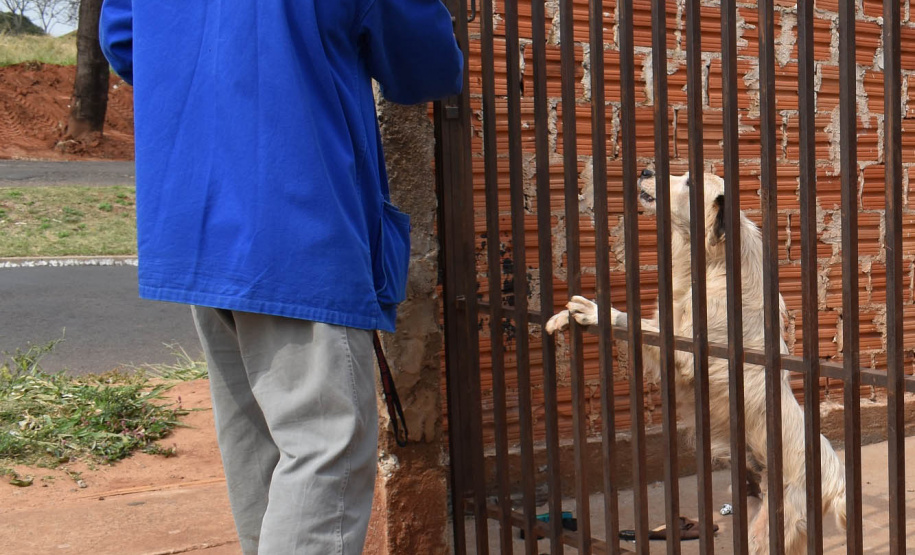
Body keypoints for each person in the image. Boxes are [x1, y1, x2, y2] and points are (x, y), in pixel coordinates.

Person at [98, 1, 463, 553]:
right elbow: (427, 66)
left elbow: (126, 41)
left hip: (193, 219)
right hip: (297, 221)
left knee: (257, 444)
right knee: (326, 450)